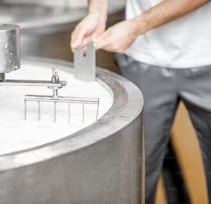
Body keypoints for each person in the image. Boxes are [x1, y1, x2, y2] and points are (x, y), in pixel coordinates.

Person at [71, 0, 211, 203]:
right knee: (135, 178)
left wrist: (137, 26)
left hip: (206, 55)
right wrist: (97, 12)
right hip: (141, 57)